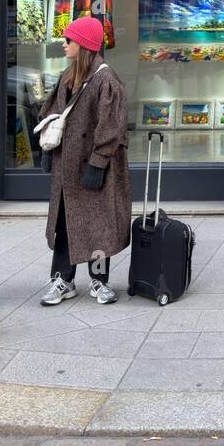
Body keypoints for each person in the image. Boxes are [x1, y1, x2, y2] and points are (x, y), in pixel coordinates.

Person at [37, 15, 131, 306]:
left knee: (99, 224)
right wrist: (48, 151)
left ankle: (99, 282)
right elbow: (50, 111)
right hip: (67, 166)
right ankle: (62, 279)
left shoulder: (106, 78)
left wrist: (98, 162)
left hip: (95, 167)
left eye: (69, 40)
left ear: (84, 45)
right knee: (66, 223)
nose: (64, 44)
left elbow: (112, 125)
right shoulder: (68, 75)